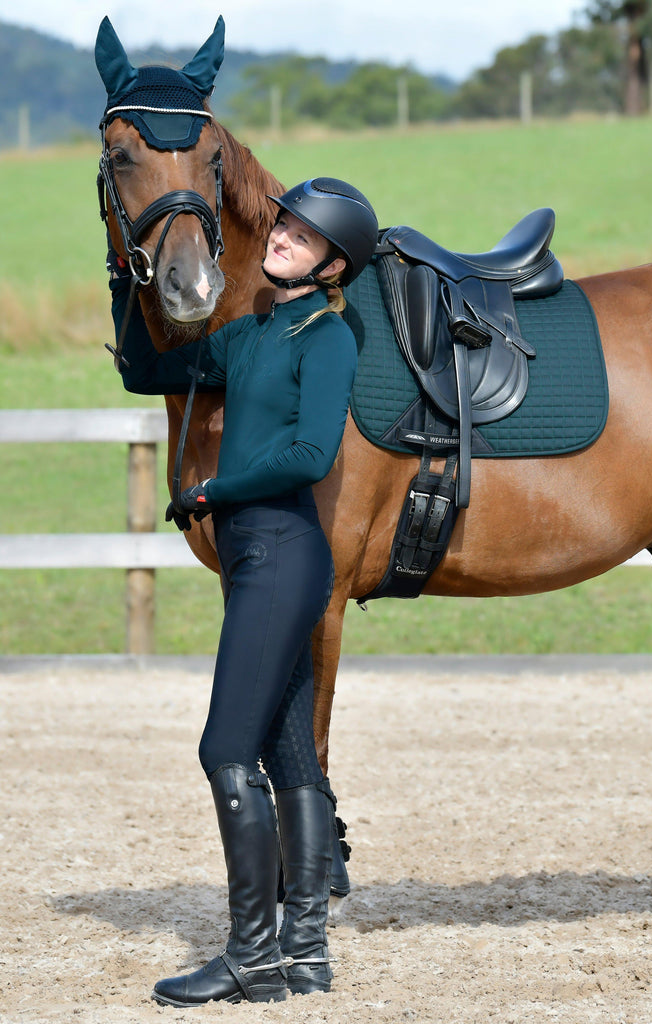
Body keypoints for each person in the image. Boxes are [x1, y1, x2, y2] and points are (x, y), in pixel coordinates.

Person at [108, 178, 378, 1006]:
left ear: (333, 266)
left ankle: (251, 955)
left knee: (225, 749)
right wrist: (127, 274)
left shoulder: (327, 340)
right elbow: (148, 369)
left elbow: (310, 455)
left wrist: (212, 492)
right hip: (257, 555)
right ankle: (306, 953)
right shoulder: (251, 333)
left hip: (283, 554)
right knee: (290, 753)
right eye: (283, 224)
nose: (282, 236)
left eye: (303, 236)